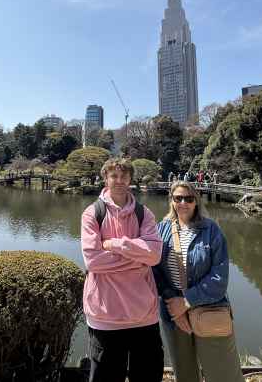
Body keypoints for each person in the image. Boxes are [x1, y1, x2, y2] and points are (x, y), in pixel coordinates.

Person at [81, 157, 164, 382]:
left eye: (124, 176)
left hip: (143, 315)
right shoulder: (92, 213)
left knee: (147, 376)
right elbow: (93, 261)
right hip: (105, 315)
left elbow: (155, 254)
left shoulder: (143, 213)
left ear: (130, 180)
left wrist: (117, 245)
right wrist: (139, 257)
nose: (119, 180)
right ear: (105, 179)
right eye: (114, 176)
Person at [153, 181, 244, 382]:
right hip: (173, 314)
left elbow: (219, 279)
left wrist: (186, 302)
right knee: (184, 373)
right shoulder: (161, 229)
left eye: (189, 198)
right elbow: (154, 270)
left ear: (196, 201)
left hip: (209, 311)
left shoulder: (211, 230)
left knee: (224, 373)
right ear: (172, 201)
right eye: (178, 198)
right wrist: (173, 304)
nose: (183, 202)